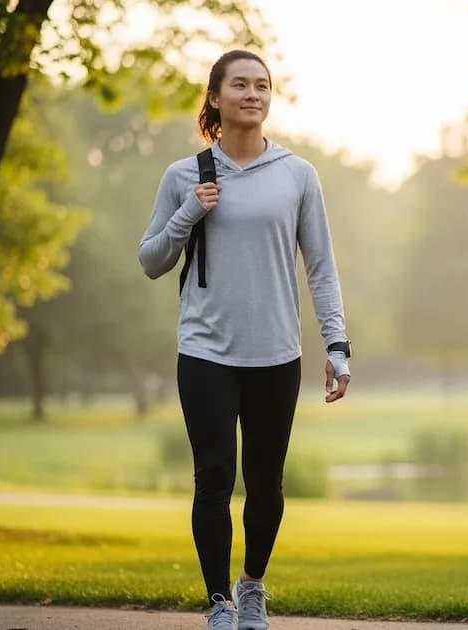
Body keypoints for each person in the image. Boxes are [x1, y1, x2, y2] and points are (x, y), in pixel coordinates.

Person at [138, 49, 351, 630]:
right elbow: (151, 261)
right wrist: (188, 212)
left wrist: (337, 345)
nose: (252, 94)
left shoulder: (297, 174)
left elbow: (322, 268)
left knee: (265, 484)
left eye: (262, 85)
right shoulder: (185, 176)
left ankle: (252, 585)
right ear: (214, 97)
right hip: (205, 351)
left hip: (276, 353)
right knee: (213, 477)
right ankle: (219, 603)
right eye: (239, 84)